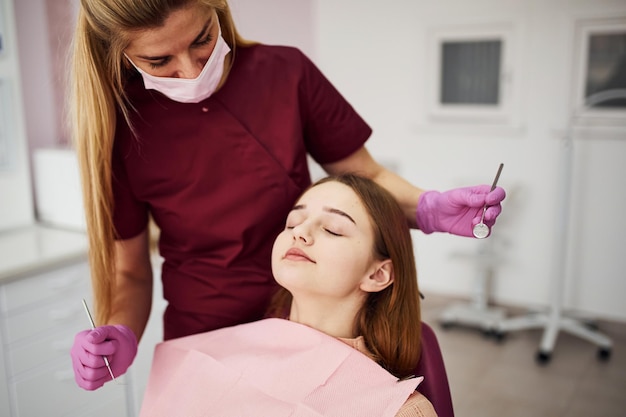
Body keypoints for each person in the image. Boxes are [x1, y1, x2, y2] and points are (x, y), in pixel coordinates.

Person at [70, 0, 505, 391]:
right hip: (205, 334)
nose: (191, 69)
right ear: (120, 53)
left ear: (217, 9)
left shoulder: (284, 73)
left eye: (202, 38)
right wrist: (120, 333)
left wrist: (427, 207)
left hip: (313, 320)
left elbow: (364, 176)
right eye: (159, 59)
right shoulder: (119, 128)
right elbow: (129, 273)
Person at [138, 174, 437, 416]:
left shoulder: (400, 410)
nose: (299, 232)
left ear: (377, 274)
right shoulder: (210, 354)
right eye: (293, 222)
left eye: (333, 229)